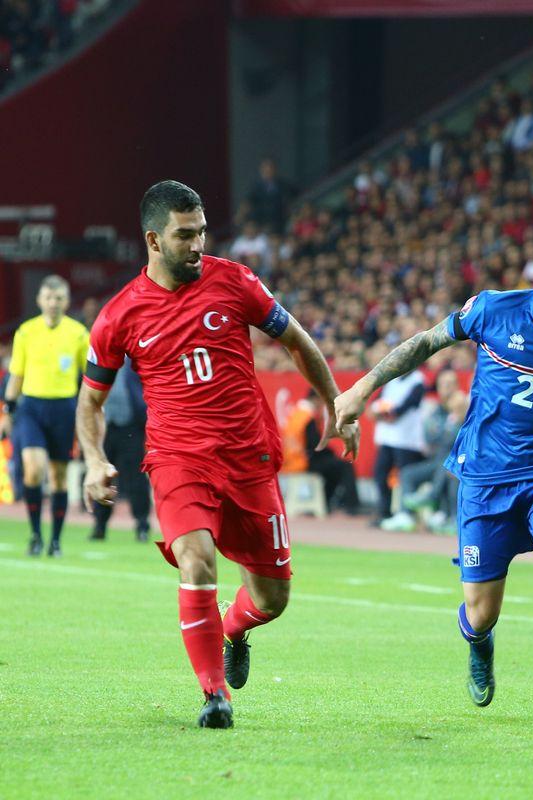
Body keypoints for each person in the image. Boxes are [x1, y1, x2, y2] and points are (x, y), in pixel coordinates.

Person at [335, 230, 533, 740]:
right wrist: (363, 387)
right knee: (480, 611)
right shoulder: (493, 310)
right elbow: (426, 342)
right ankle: (480, 644)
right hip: (485, 478)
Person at [76, 180, 359, 730]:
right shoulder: (119, 316)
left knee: (273, 597)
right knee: (196, 559)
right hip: (178, 458)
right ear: (153, 240)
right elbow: (91, 402)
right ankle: (214, 695)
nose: (198, 244)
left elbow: (296, 340)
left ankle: (233, 629)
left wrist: (334, 403)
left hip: (249, 456)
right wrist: (92, 458)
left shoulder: (235, 280)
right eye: (185, 235)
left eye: (202, 231)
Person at [1, 275, 89, 556]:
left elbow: (89, 378)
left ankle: (55, 541)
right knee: (34, 469)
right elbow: (16, 375)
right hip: (31, 408)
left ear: (66, 301)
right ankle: (36, 535)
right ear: (39, 300)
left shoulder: (78, 333)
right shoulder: (26, 332)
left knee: (60, 477)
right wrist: (7, 411)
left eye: (59, 298)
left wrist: (89, 411)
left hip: (63, 408)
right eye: (49, 298)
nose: (53, 303)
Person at [381, 369, 468, 533]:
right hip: (436, 462)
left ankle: (438, 504)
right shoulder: (437, 410)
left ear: (457, 386)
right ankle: (406, 515)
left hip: (459, 463)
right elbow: (429, 437)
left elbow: (456, 439)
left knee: (449, 466)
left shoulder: (465, 409)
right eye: (442, 385)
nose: (446, 389)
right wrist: (445, 432)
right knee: (407, 473)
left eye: (450, 384)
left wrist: (456, 418)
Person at [89, 357, 151, 542]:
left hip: (131, 425)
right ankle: (100, 524)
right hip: (105, 427)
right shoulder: (101, 355)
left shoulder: (137, 358)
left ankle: (141, 523)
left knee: (136, 477)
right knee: (103, 476)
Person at [282, 391, 360, 514]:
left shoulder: (296, 414)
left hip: (293, 460)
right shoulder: (307, 418)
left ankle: (325, 503)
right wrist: (331, 453)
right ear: (315, 399)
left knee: (333, 467)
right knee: (345, 466)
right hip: (303, 462)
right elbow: (315, 445)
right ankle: (352, 505)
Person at [369, 369, 425, 526]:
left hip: (407, 440)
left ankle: (406, 513)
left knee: (405, 478)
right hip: (387, 437)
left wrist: (386, 413)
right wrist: (379, 411)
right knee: (380, 474)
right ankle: (385, 512)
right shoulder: (391, 380)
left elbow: (407, 405)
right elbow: (375, 402)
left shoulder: (418, 380)